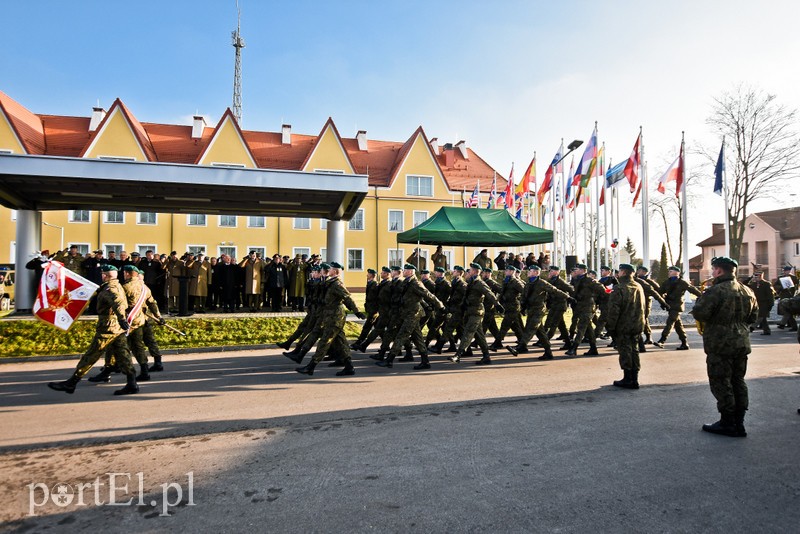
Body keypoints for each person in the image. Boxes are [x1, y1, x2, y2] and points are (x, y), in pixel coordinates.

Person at [47, 265, 140, 396]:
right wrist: (121, 320)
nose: (101, 275)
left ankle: (72, 382)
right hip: (115, 328)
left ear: (105, 275)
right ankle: (132, 383)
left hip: (108, 327)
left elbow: (119, 303)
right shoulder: (116, 285)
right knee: (123, 355)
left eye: (103, 273)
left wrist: (121, 319)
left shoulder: (110, 288)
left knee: (92, 354)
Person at [691, 256, 758, 437]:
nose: (712, 273)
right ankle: (739, 422)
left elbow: (700, 313)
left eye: (713, 269)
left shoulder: (716, 291)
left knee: (721, 382)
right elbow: (753, 318)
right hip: (741, 342)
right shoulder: (748, 291)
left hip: (720, 343)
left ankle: (728, 422)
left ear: (719, 270)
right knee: (738, 380)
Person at [295, 262, 364, 377]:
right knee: (341, 343)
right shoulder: (330, 282)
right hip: (330, 317)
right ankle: (349, 367)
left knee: (324, 342)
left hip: (335, 317)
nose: (329, 270)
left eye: (331, 269)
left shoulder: (337, 284)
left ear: (335, 271)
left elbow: (347, 298)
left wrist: (356, 311)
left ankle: (311, 366)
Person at [376, 264, 443, 369]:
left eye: (406, 270)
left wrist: (440, 306)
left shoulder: (416, 283)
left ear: (411, 272)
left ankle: (389, 360)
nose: (404, 271)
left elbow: (427, 295)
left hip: (413, 314)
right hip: (407, 313)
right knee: (418, 339)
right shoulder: (407, 282)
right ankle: (425, 362)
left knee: (401, 336)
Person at [508, 265, 572, 360]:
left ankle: (520, 347)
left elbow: (555, 290)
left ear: (536, 273)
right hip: (531, 309)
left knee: (530, 328)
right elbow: (524, 296)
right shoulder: (529, 283)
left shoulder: (542, 283)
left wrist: (568, 297)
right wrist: (522, 307)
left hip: (539, 310)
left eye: (530, 271)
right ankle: (548, 352)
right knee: (541, 332)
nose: (528, 272)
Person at [450, 263, 503, 365]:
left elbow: (489, 293)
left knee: (468, 331)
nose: (468, 273)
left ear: (474, 271)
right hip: (470, 311)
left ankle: (458, 354)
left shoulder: (479, 283)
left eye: (469, 271)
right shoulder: (471, 282)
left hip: (477, 312)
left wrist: (497, 304)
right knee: (479, 336)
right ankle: (486, 356)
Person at [605, 264, 646, 389]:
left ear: (623, 272)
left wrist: (610, 327)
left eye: (620, 271)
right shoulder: (638, 286)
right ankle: (634, 378)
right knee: (635, 350)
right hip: (637, 324)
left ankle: (628, 379)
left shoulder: (620, 288)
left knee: (625, 351)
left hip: (623, 325)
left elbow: (614, 311)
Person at [655, 266, 702, 350]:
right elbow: (659, 292)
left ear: (677, 273)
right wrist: (662, 302)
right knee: (678, 325)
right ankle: (684, 343)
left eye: (671, 271)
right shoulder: (667, 282)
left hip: (677, 306)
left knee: (670, 322)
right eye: (669, 271)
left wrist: (702, 296)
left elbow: (693, 290)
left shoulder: (682, 282)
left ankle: (662, 340)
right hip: (670, 305)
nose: (669, 272)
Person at [565, 263, 606, 357]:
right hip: (579, 306)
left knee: (581, 327)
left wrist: (595, 298)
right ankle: (593, 348)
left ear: (583, 270)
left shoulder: (589, 280)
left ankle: (573, 348)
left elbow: (601, 290)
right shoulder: (576, 280)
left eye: (578, 269)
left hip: (588, 306)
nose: (576, 271)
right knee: (588, 329)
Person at [634, 265, 669, 352]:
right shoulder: (635, 279)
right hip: (638, 302)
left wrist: (663, 300)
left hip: (646, 301)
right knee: (644, 319)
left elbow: (658, 290)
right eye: (639, 271)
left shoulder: (648, 281)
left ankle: (647, 337)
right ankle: (648, 337)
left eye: (642, 271)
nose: (639, 272)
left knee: (643, 319)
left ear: (645, 272)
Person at [491, 265, 525, 350]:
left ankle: (497, 343)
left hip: (513, 306)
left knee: (504, 325)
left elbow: (524, 292)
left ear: (512, 272)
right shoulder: (506, 281)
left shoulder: (516, 282)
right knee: (515, 326)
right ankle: (523, 344)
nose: (505, 272)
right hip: (507, 306)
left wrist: (521, 301)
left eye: (507, 270)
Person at [352, 268, 380, 350]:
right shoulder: (370, 283)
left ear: (372, 275)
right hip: (371, 309)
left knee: (367, 327)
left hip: (374, 310)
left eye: (368, 273)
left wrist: (375, 309)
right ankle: (386, 346)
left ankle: (359, 343)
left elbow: (377, 298)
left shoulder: (375, 285)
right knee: (379, 329)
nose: (367, 275)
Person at [748, 270, 775, 335]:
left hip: (764, 303)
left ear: (760, 276)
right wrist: (750, 278)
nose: (755, 277)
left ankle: (752, 327)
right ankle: (767, 331)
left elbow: (770, 295)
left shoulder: (766, 284)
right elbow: (745, 284)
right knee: (763, 318)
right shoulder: (753, 284)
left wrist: (771, 304)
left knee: (761, 316)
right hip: (756, 303)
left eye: (756, 276)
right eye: (754, 275)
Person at [775, 265, 798, 331]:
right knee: (786, 311)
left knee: (788, 311)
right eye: (784, 271)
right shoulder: (780, 277)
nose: (785, 272)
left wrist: (793, 286)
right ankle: (787, 324)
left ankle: (785, 324)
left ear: (789, 271)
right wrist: (781, 287)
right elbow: (775, 285)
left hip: (791, 296)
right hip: (783, 296)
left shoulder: (793, 277)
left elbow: (797, 286)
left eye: (786, 271)